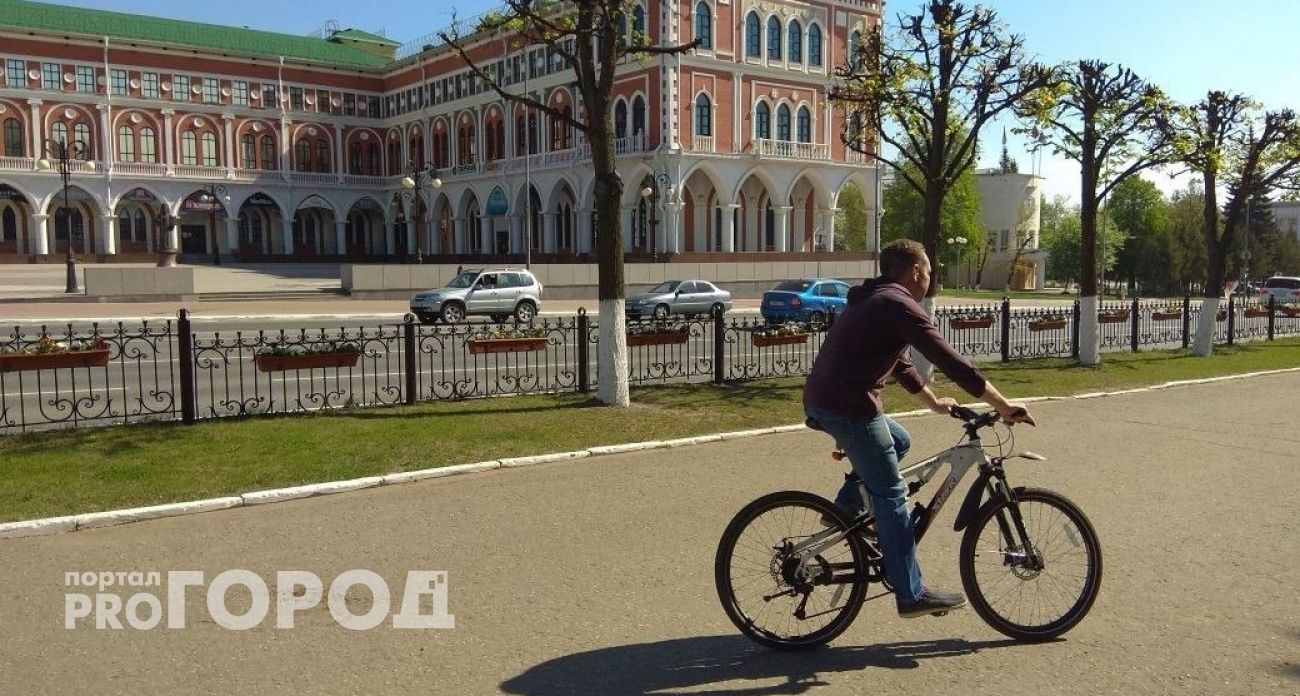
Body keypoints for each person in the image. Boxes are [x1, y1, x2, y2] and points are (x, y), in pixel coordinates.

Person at [803, 239, 1035, 619]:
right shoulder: (896, 303)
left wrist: (932, 402)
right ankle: (911, 594)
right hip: (848, 405)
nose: (930, 278)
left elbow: (900, 362)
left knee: (899, 440)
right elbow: (949, 359)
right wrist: (1003, 404)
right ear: (915, 272)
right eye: (928, 271)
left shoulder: (878, 300)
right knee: (892, 496)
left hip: (833, 400)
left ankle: (845, 507)